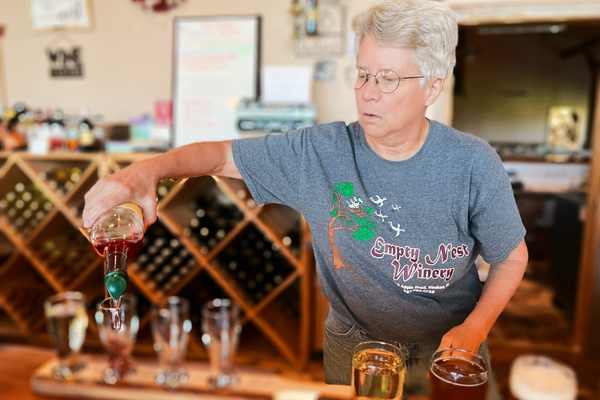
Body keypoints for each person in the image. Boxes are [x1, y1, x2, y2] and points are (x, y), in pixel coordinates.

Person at [83, 0, 528, 397]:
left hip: (450, 351)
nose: (368, 91)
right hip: (354, 349)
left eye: (388, 79)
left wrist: (475, 328)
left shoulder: (472, 163)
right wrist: (144, 172)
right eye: (363, 74)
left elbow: (510, 256)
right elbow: (218, 156)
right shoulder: (320, 153)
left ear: (432, 87)